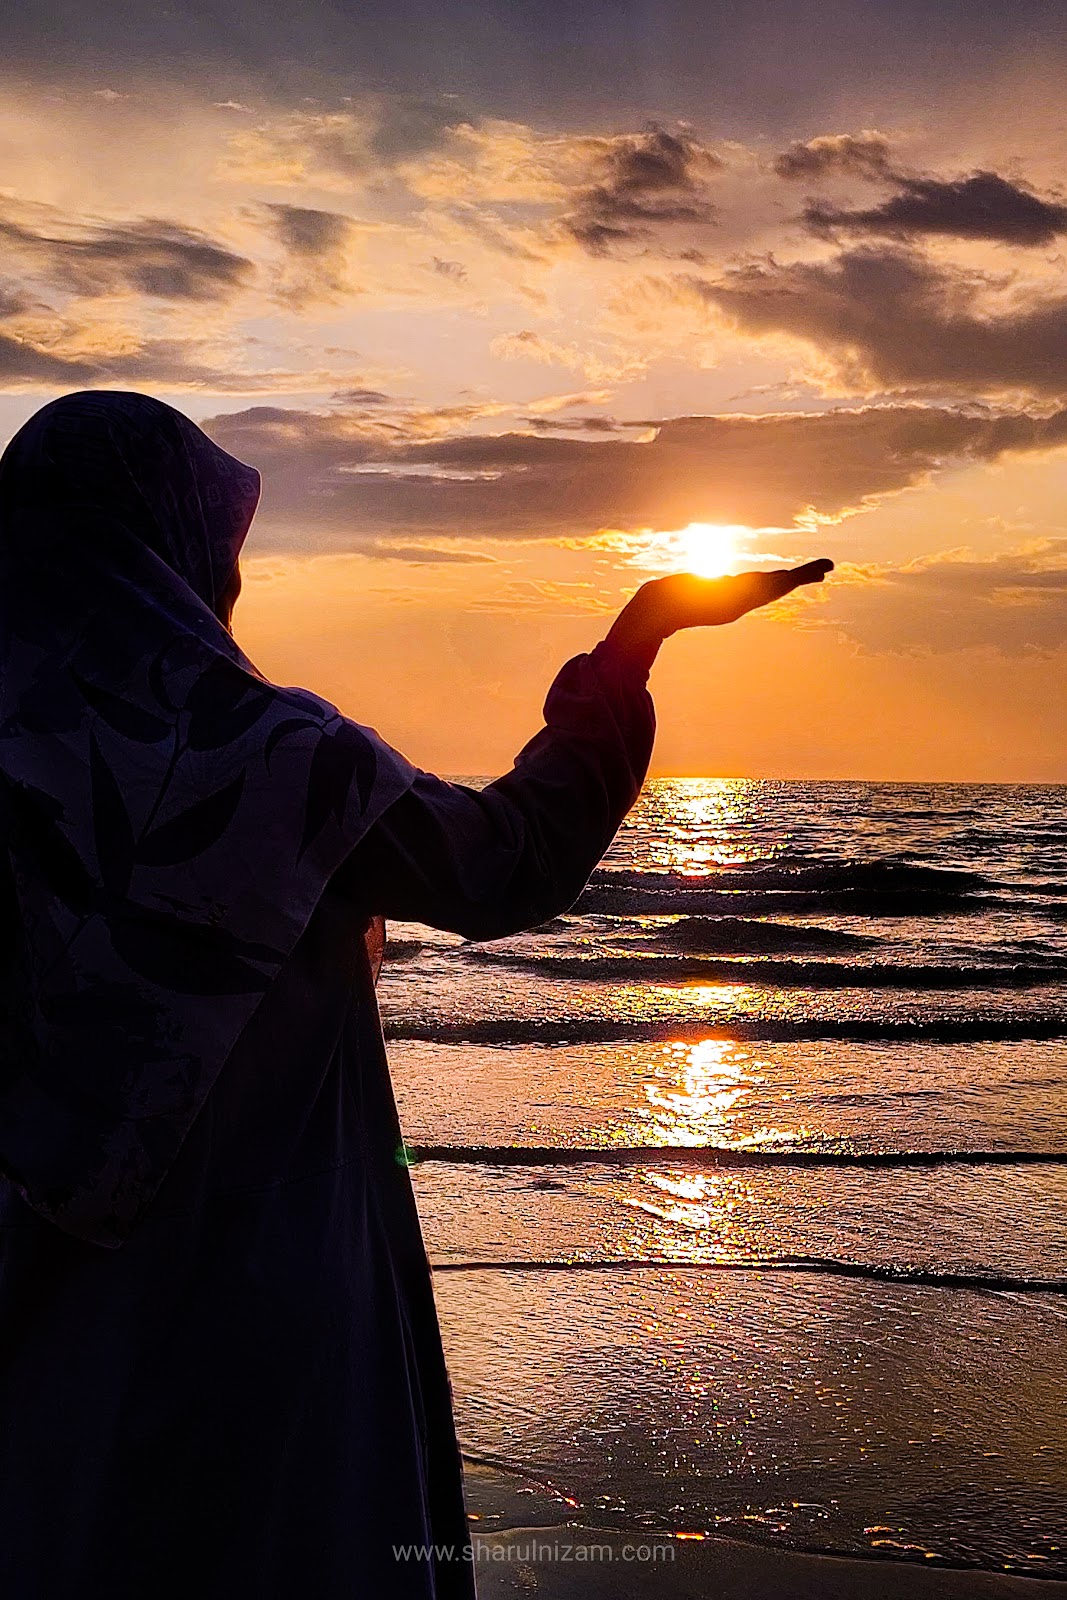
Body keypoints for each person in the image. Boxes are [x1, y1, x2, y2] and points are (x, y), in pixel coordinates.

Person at [0, 389, 831, 1599]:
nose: (230, 590)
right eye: (220, 552)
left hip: (46, 1313)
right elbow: (508, 859)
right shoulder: (274, 758)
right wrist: (630, 649)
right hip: (274, 1302)